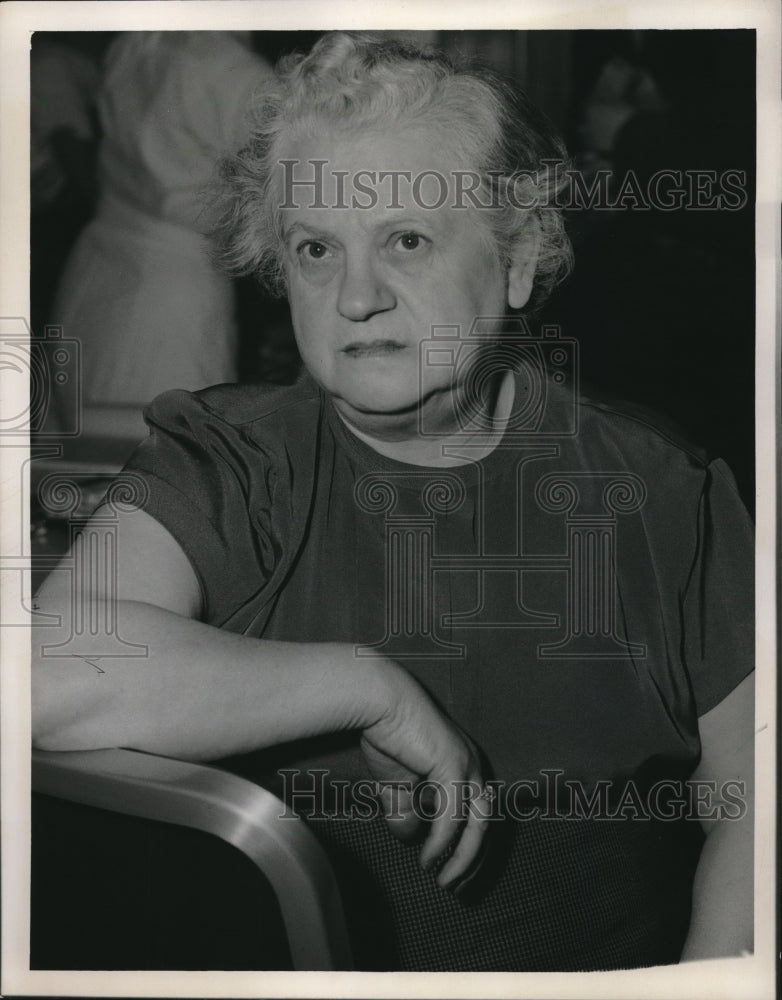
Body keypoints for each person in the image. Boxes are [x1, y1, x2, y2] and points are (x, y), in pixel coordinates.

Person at [32, 32, 754, 971]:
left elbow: (754, 805)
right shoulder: (233, 464)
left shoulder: (662, 491)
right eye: (316, 249)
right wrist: (360, 685)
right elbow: (36, 677)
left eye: (406, 239)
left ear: (521, 256)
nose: (356, 296)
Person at [45, 31, 273, 445]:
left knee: (92, 451)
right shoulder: (228, 71)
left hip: (96, 267)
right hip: (171, 293)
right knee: (168, 461)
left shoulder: (138, 42)